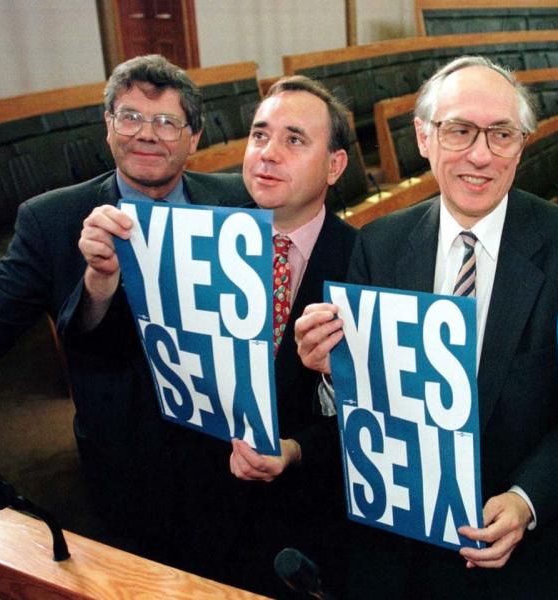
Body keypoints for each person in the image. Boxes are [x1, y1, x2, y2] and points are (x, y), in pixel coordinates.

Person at [294, 55, 558, 599]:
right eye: (459, 130)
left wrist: (526, 500)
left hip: (521, 560)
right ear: (423, 136)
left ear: (523, 142)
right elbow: (361, 413)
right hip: (400, 554)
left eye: (502, 134)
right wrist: (331, 376)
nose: (481, 155)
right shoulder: (379, 246)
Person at [0, 54, 252, 565]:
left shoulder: (238, 204)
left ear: (194, 138)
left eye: (166, 122)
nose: (146, 134)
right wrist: (99, 283)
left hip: (229, 449)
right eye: (129, 117)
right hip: (126, 459)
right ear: (108, 128)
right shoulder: (50, 221)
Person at [206, 74, 357, 597]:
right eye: (259, 135)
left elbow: (373, 413)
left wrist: (294, 450)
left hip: (311, 527)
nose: (267, 154)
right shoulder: (204, 245)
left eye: (294, 140)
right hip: (205, 515)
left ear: (334, 165)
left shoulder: (368, 263)